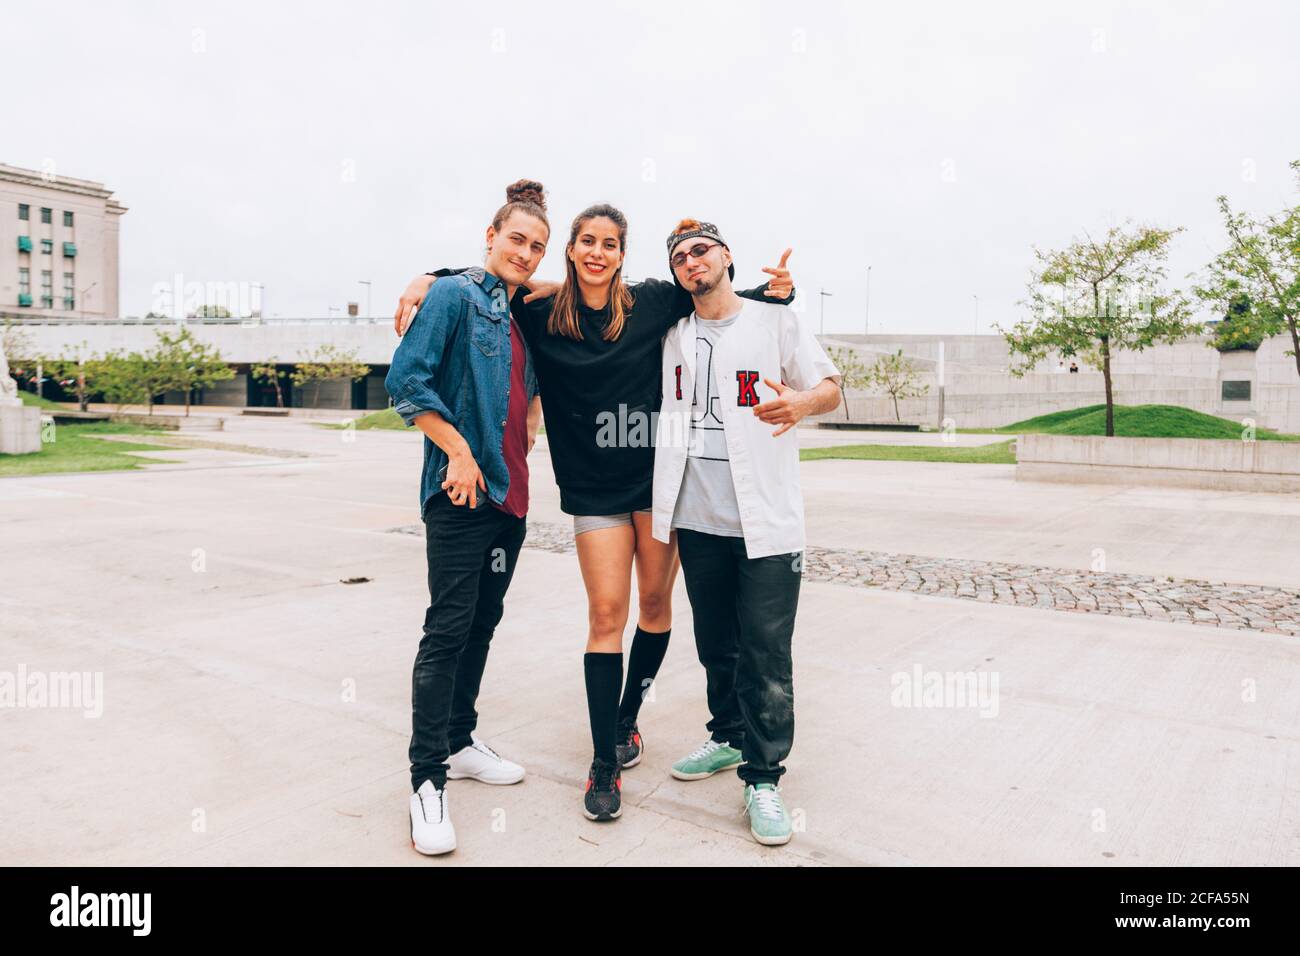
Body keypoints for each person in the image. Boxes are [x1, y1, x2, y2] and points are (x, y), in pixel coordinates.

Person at [395, 205, 794, 821]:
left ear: (622, 253)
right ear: (573, 250)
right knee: (607, 614)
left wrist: (773, 294)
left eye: (610, 243)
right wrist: (432, 276)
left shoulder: (654, 303)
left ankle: (628, 717)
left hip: (659, 483)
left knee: (656, 609)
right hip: (593, 490)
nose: (598, 253)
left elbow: (716, 298)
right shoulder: (538, 314)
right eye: (587, 242)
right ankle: (604, 759)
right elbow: (495, 282)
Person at [652, 218, 841, 846]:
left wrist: (801, 404)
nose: (690, 261)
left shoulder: (776, 320)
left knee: (766, 650)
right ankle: (728, 738)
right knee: (716, 641)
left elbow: (831, 387)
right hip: (698, 520)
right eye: (679, 256)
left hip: (768, 523)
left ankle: (764, 777)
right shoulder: (671, 331)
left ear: (726, 255)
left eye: (700, 250)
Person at [385, 179, 548, 856]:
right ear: (491, 236)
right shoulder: (454, 297)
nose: (528, 253)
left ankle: (458, 742)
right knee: (447, 630)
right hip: (460, 497)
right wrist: (455, 449)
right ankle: (426, 784)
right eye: (517, 238)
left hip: (510, 498)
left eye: (538, 246)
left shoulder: (526, 313)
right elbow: (406, 382)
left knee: (482, 622)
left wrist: (532, 417)